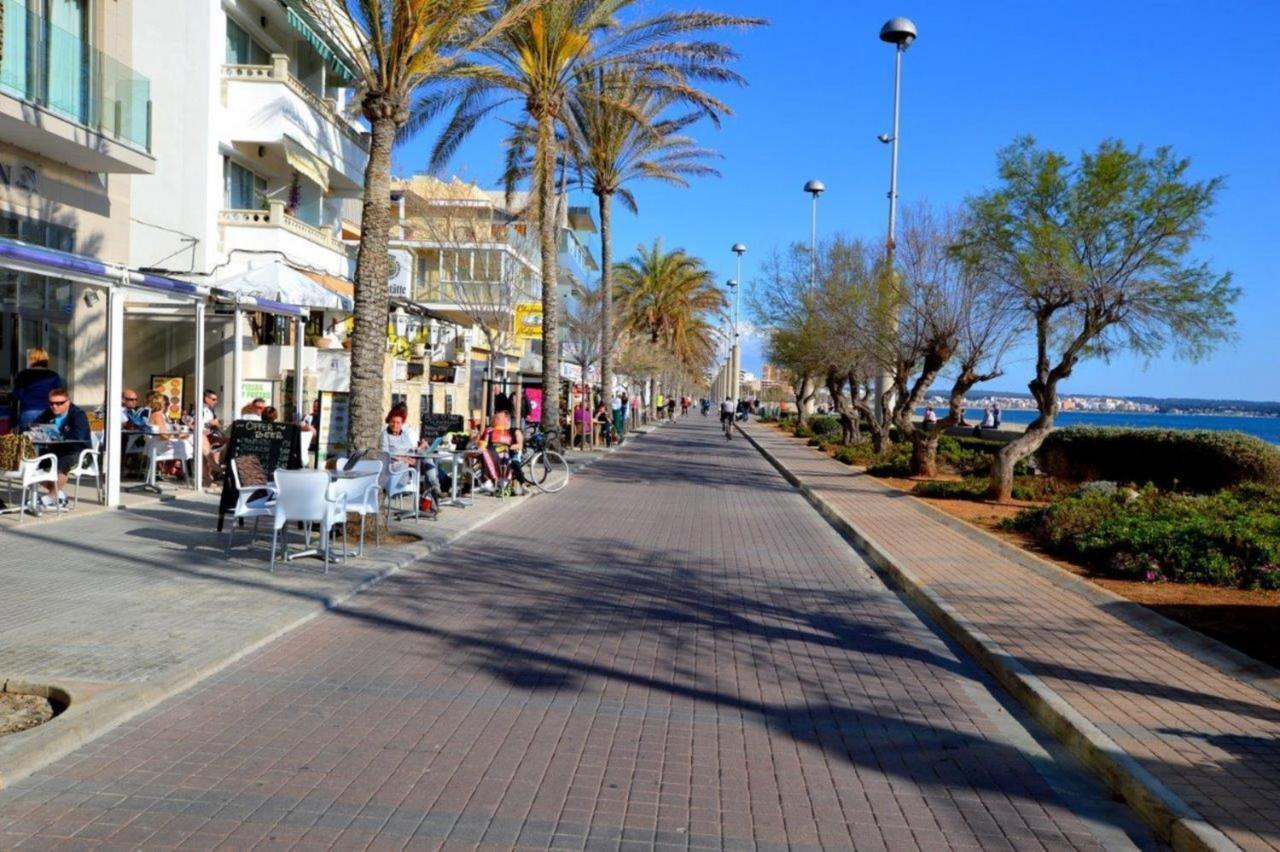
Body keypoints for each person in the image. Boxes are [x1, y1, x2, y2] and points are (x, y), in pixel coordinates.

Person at [32, 387, 91, 508]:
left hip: (78, 451)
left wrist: (57, 435)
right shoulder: (49, 412)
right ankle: (58, 494)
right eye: (52, 403)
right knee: (32, 466)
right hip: (56, 451)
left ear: (68, 402)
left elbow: (78, 435)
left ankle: (50, 497)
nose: (55, 406)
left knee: (62, 464)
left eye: (59, 403)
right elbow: (35, 425)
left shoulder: (78, 415)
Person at [477, 410, 529, 495]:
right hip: (494, 454)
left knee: (513, 463)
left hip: (509, 455)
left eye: (497, 418)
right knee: (483, 455)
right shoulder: (490, 431)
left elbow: (520, 444)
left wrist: (513, 446)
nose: (494, 420)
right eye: (494, 418)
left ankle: (521, 485)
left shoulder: (514, 431)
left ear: (506, 419)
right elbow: (483, 444)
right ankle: (489, 482)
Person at [12, 348, 64, 431]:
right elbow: (60, 396)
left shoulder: (23, 374)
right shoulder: (53, 375)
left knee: (27, 442)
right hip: (47, 412)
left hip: (28, 412)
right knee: (46, 441)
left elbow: (17, 394)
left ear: (31, 360)